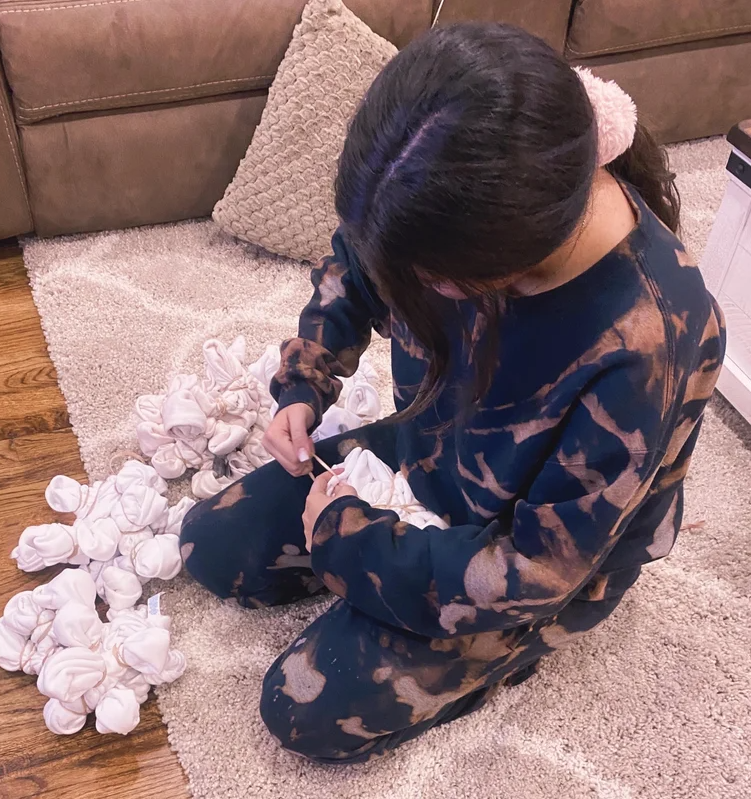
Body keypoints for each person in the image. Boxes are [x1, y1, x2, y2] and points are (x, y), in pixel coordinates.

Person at [179, 22, 725, 763]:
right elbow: (363, 262)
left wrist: (347, 538)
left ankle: (504, 659)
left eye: (431, 284)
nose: (411, 294)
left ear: (503, 257)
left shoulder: (650, 341)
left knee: (300, 707)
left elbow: (535, 571)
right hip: (434, 448)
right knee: (210, 547)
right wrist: (304, 383)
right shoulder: (441, 203)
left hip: (528, 558)